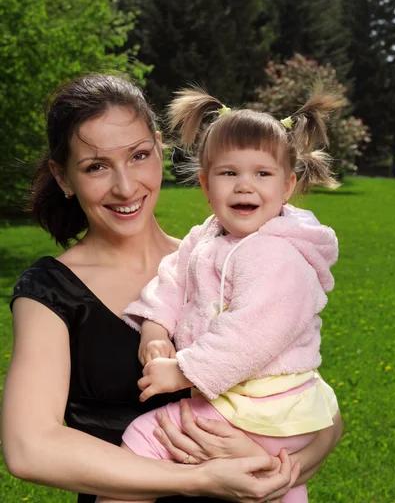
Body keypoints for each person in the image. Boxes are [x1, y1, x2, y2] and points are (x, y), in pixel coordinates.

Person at [1, 74, 342, 503]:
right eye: (96, 166)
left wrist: (272, 462)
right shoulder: (50, 293)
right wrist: (199, 478)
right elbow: (29, 449)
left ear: (160, 150)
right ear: (63, 176)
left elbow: (309, 398)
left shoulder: (220, 262)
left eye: (139, 155)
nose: (126, 187)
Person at [100, 87, 343, 503]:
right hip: (245, 402)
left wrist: (183, 371)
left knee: (145, 437)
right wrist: (154, 331)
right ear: (205, 185)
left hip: (269, 406)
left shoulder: (280, 254)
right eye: (229, 173)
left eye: (261, 174)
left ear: (287, 186)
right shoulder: (207, 235)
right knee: (273, 483)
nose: (245, 186)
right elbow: (172, 280)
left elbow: (252, 332)